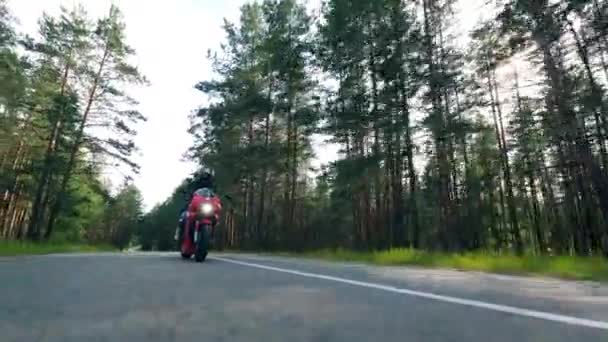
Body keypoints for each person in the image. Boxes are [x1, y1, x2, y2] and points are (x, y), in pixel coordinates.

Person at [174, 172, 219, 242]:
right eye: (203, 176)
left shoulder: (211, 185)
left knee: (215, 216)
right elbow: (188, 189)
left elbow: (214, 193)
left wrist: (216, 198)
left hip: (206, 203)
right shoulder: (194, 183)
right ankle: (178, 231)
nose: (205, 177)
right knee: (183, 213)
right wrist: (186, 194)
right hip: (194, 201)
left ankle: (212, 235)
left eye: (206, 176)